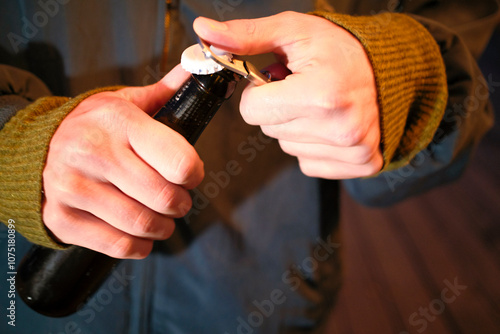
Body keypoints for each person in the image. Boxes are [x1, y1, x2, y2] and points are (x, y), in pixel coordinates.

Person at [0, 0, 498, 333]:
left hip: (256, 308)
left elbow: (457, 17)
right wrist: (14, 147)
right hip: (26, 292)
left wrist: (399, 73)